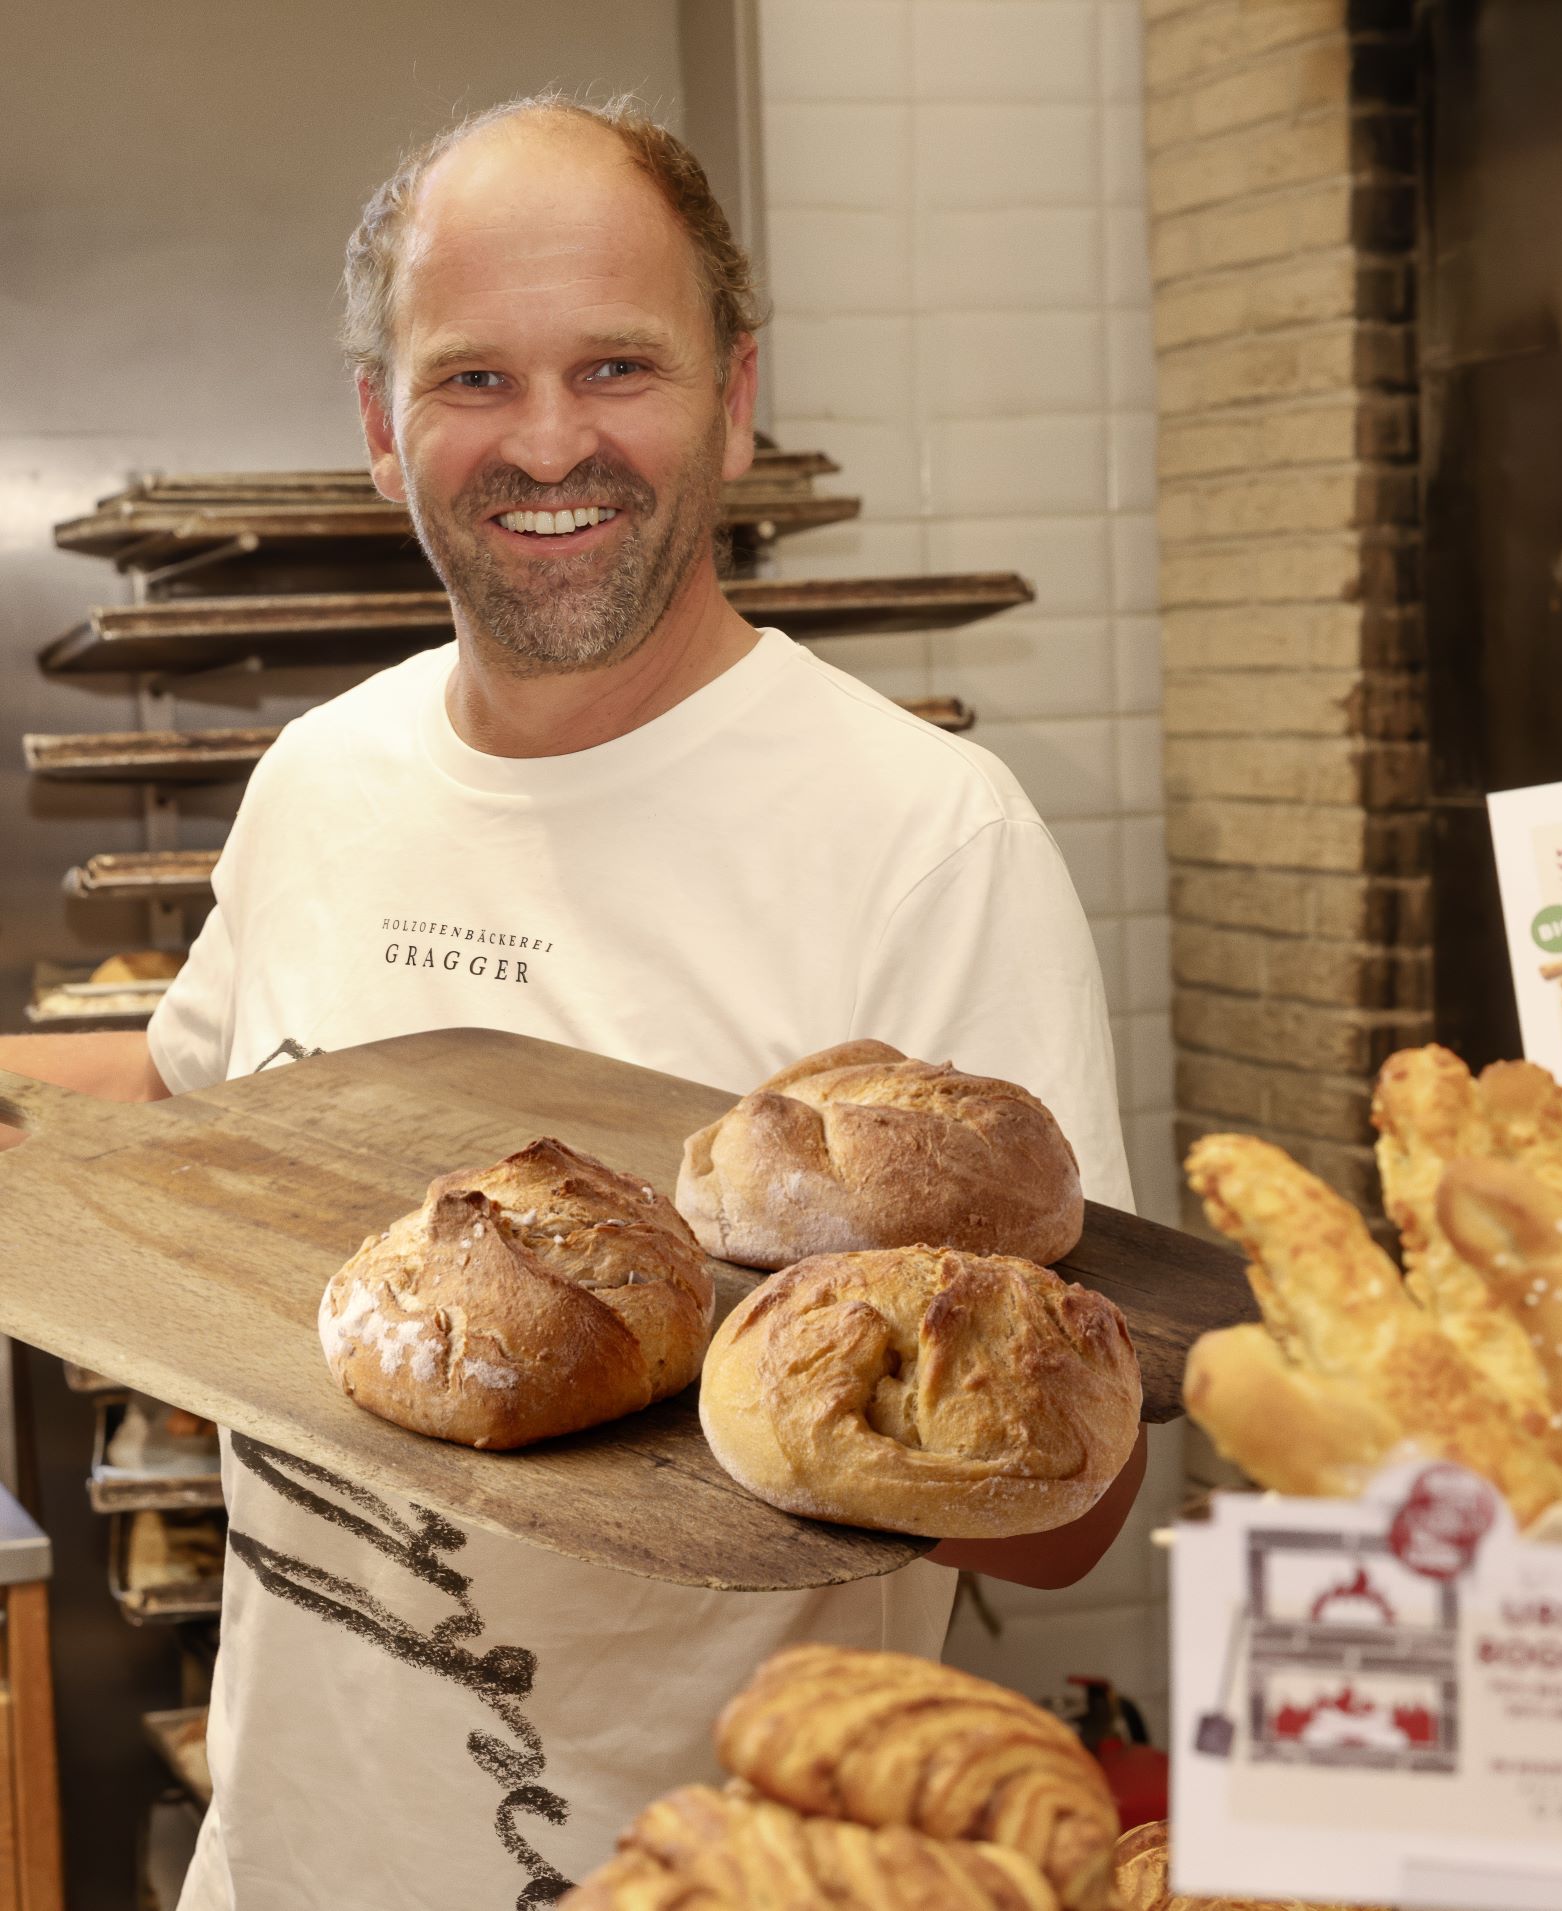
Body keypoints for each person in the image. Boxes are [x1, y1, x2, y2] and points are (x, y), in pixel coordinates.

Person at [0, 94, 1142, 1907]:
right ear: (380, 428)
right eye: (473, 378)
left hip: (684, 1875)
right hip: (284, 1864)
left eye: (618, 365)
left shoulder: (923, 836)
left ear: (734, 397)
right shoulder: (322, 777)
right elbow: (187, 1104)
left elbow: (1072, 1513)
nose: (549, 442)